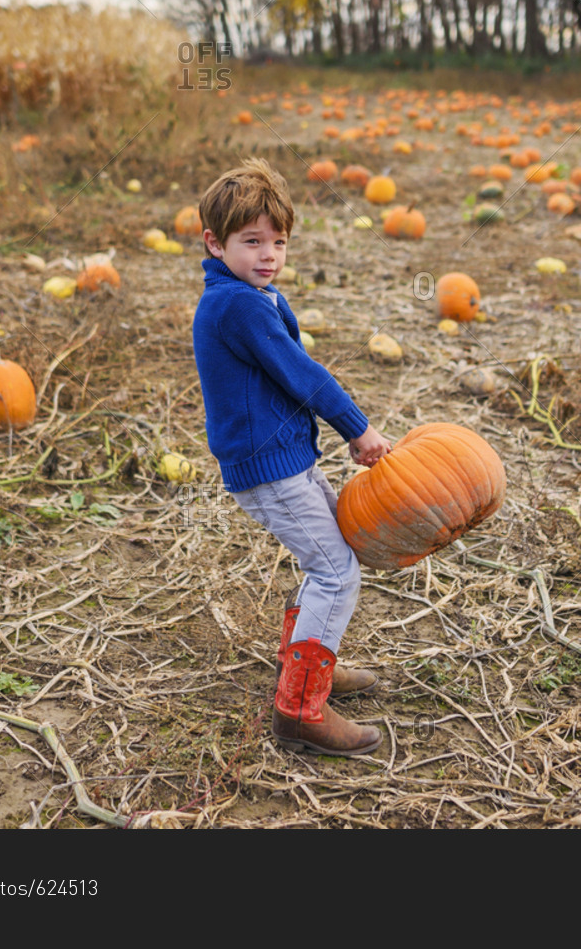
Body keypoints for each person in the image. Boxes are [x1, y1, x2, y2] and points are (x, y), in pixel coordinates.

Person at [191, 158, 391, 756]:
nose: (268, 254)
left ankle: (306, 670)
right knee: (336, 571)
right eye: (251, 242)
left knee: (328, 562)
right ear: (214, 242)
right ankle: (301, 708)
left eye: (278, 241)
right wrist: (357, 428)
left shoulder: (252, 295)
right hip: (270, 469)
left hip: (284, 460)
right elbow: (302, 373)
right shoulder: (240, 306)